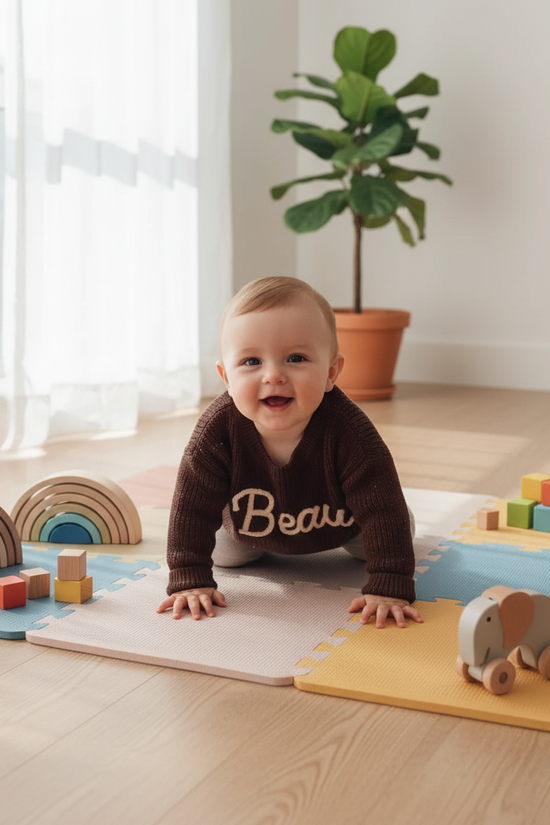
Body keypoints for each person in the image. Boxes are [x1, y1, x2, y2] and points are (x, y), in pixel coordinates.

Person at [157, 276, 422, 629]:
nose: (273, 375)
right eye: (251, 361)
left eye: (295, 358)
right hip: (249, 528)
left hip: (342, 526)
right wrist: (189, 576)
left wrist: (390, 583)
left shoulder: (351, 433)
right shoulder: (216, 431)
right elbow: (191, 505)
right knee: (223, 553)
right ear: (226, 378)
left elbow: (381, 506)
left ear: (331, 373)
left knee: (396, 525)